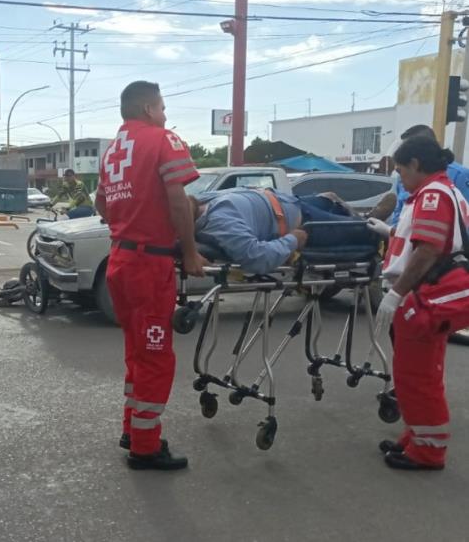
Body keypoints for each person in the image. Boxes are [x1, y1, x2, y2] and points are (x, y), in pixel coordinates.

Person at [95, 80, 208, 471]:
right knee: (156, 356)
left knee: (137, 353)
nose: (165, 114)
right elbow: (177, 198)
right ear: (147, 109)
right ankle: (144, 446)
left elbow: (101, 204)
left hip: (120, 262)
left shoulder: (112, 151)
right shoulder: (163, 140)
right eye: (161, 107)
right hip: (148, 267)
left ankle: (132, 429)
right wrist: (190, 251)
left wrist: (130, 224)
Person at [371, 136, 469, 471]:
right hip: (425, 294)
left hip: (422, 296)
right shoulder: (442, 192)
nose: (399, 177)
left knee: (417, 376)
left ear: (415, 164)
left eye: (400, 170)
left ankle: (428, 451)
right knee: (419, 373)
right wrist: (390, 232)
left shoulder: (432, 195)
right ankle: (416, 437)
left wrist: (396, 292)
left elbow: (428, 249)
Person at [190, 188, 395, 274]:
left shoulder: (204, 199)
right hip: (303, 224)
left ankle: (366, 216)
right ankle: (370, 222)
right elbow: (257, 257)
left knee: (330, 197)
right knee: (365, 231)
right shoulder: (220, 224)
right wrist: (292, 241)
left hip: (293, 202)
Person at [390, 124, 469, 225]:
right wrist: (390, 231)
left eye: (406, 150)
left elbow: (465, 221)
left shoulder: (459, 175)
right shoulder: (403, 176)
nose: (402, 154)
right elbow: (398, 214)